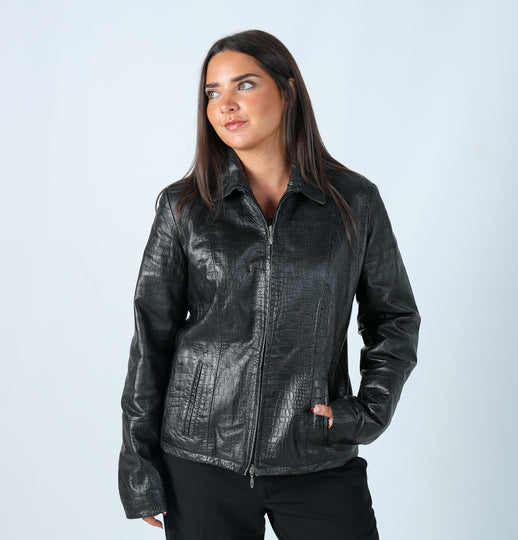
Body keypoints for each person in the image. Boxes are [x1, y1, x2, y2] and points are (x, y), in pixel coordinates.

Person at [118, 29, 420, 540]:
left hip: (315, 450)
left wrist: (368, 412)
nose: (225, 105)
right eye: (212, 92)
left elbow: (394, 318)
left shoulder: (353, 202)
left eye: (245, 85)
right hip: (199, 457)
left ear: (288, 90)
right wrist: (137, 461)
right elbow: (151, 337)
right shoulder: (184, 207)